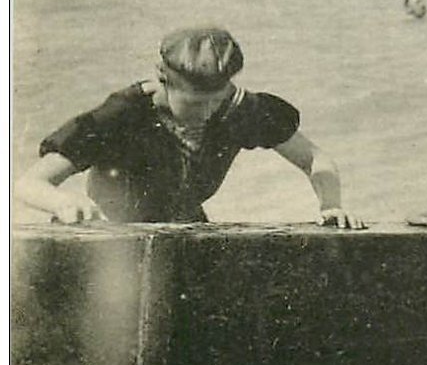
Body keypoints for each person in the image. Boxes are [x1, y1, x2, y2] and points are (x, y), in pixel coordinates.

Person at [17, 27, 364, 227]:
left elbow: (315, 160)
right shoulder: (123, 115)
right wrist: (61, 202)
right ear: (163, 81)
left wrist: (330, 204)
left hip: (187, 230)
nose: (211, 111)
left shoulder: (239, 109)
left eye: (219, 99)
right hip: (109, 237)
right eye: (197, 103)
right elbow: (29, 184)